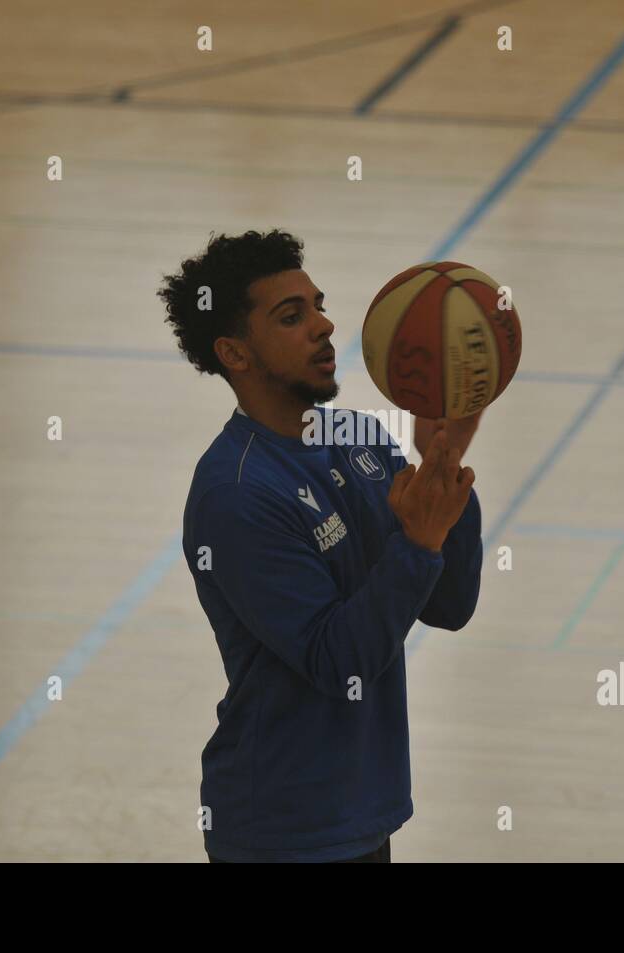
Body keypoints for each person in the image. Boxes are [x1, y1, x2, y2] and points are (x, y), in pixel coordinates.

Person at [159, 229, 483, 862]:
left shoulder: (358, 438)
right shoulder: (238, 494)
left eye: (318, 305)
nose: (326, 325)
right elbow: (344, 663)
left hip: (363, 812)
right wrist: (416, 543)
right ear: (235, 353)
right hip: (282, 830)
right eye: (292, 316)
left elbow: (450, 605)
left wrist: (445, 466)